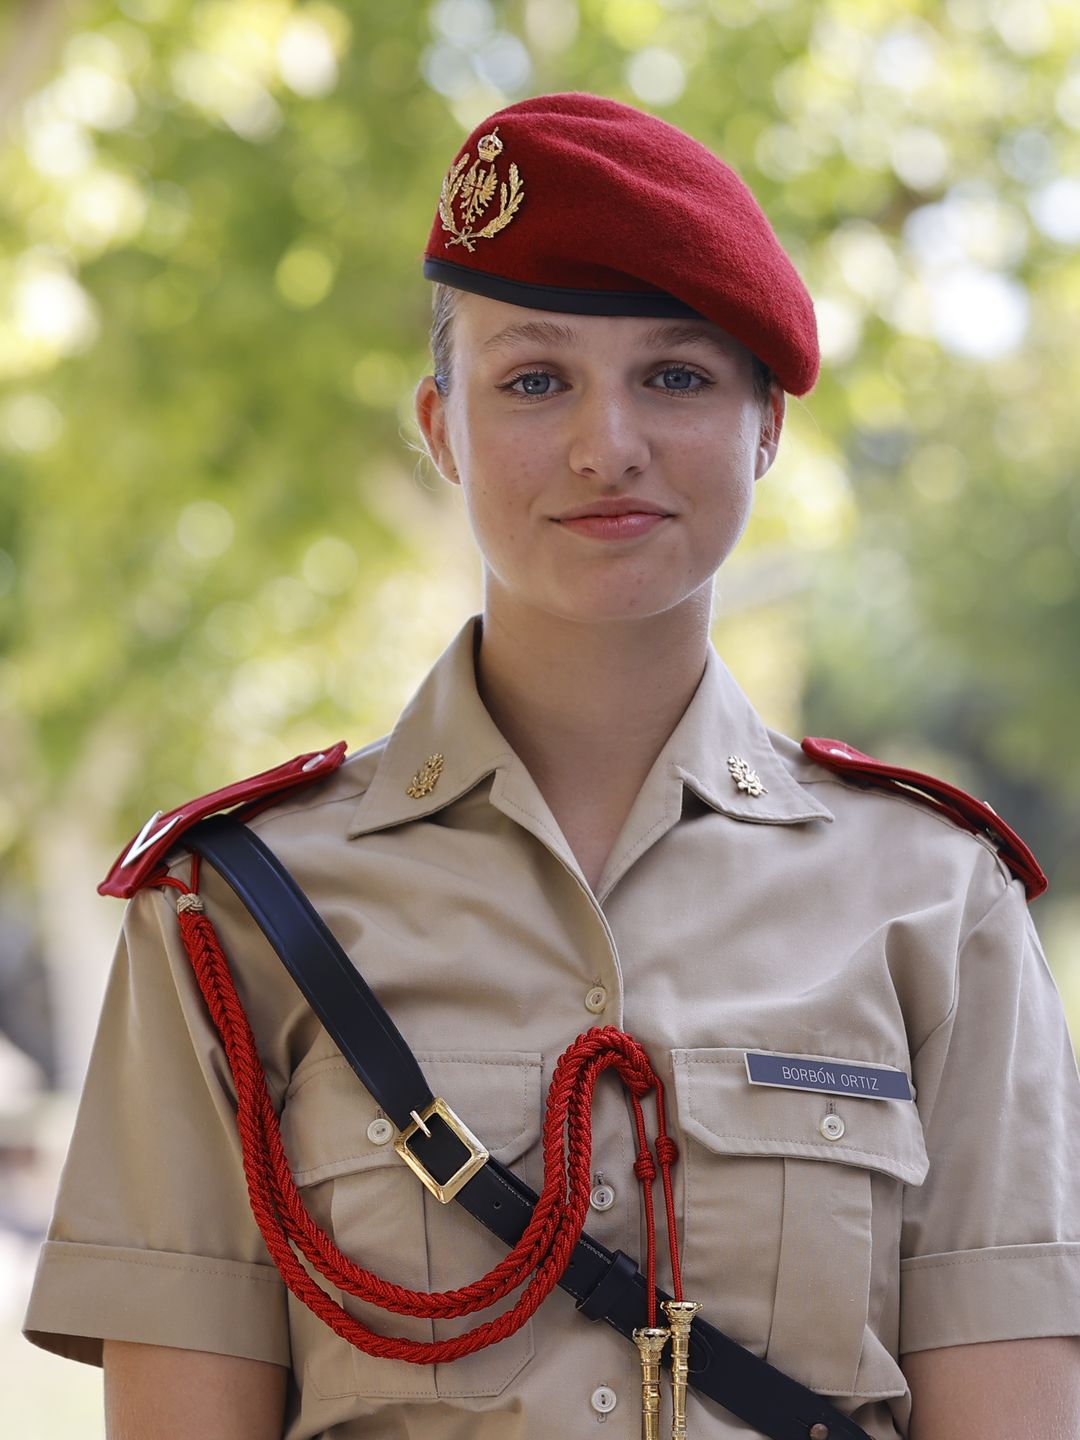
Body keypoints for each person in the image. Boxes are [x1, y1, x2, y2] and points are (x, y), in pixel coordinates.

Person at [23, 93, 1080, 1440]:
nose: (608, 445)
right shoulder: (230, 910)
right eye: (535, 380)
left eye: (678, 376)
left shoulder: (940, 898)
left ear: (767, 426)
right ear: (440, 426)